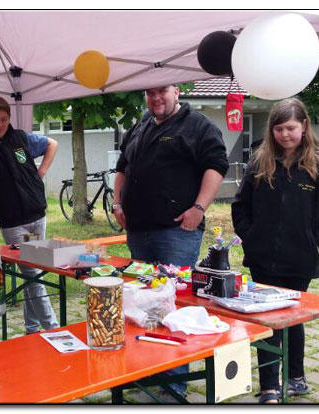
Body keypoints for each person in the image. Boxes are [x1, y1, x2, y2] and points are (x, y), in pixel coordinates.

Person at [113, 84, 229, 398]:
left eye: (161, 91)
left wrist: (198, 208)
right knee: (142, 303)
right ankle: (147, 372)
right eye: (149, 93)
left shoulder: (198, 125)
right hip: (139, 230)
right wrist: (117, 203)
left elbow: (217, 167)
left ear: (176, 91)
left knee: (172, 305)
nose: (155, 98)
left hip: (176, 232)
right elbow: (122, 167)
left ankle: (172, 386)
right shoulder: (140, 125)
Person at [231, 98, 319, 403]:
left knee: (293, 318)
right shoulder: (259, 162)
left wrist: (318, 241)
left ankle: (295, 376)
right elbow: (240, 205)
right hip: (262, 259)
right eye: (278, 128)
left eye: (291, 128)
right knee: (267, 319)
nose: (284, 134)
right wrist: (251, 236)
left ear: (304, 126)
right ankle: (269, 384)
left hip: (300, 259)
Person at [0, 96, 60, 334]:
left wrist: (42, 170)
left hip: (38, 213)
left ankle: (32, 328)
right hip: (12, 221)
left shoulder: (20, 138)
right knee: (33, 273)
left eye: (4, 119)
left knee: (32, 274)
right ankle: (53, 330)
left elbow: (52, 143)